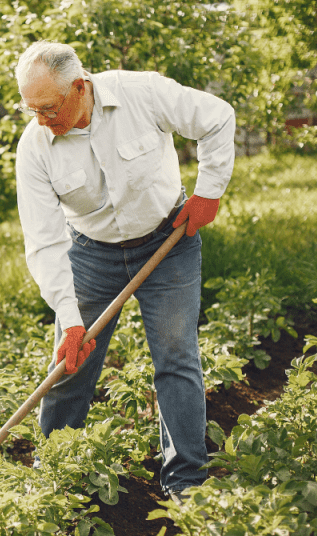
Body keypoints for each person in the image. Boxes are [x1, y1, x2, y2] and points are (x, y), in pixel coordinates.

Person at [13, 41, 235, 499]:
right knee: (71, 363)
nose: (40, 120)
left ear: (80, 87)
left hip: (168, 240)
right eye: (30, 109)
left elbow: (217, 117)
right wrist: (71, 321)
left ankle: (186, 482)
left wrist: (209, 191)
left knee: (176, 358)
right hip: (90, 254)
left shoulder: (141, 93)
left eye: (48, 108)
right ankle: (53, 473)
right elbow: (45, 241)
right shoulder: (35, 146)